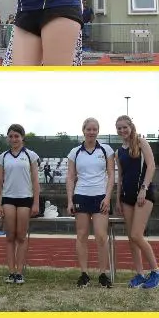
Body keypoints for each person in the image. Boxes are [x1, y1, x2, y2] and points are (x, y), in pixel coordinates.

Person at [115, 115, 159, 289]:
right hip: (126, 197)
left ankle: (157, 272)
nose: (122, 130)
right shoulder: (119, 152)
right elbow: (120, 177)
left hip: (143, 195)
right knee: (131, 238)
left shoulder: (141, 142)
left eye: (125, 127)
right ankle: (140, 274)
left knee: (137, 234)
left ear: (131, 127)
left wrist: (143, 188)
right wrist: (117, 199)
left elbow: (151, 166)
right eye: (119, 128)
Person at [66, 117, 115, 288]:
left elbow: (111, 174)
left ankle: (103, 274)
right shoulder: (75, 152)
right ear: (83, 131)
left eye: (95, 129)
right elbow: (70, 177)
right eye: (89, 129)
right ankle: (84, 274)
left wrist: (107, 198)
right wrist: (70, 200)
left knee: (101, 236)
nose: (92, 132)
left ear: (98, 131)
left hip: (100, 197)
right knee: (82, 236)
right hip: (81, 196)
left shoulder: (106, 150)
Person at [0, 123, 41, 285]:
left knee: (21, 236)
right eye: (11, 136)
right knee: (10, 236)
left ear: (22, 138)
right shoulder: (3, 157)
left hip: (25, 198)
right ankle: (11, 272)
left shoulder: (30, 155)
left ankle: (19, 272)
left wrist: (36, 202)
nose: (14, 139)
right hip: (8, 198)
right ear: (8, 138)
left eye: (17, 136)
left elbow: (35, 180)